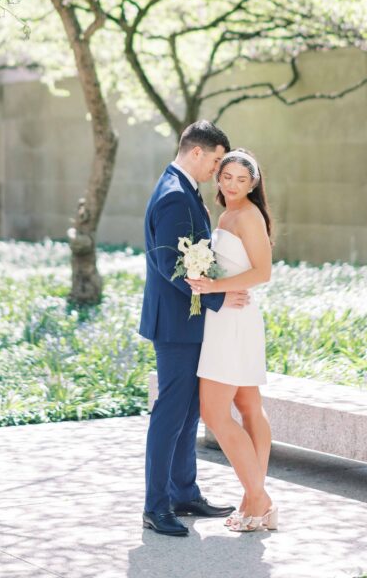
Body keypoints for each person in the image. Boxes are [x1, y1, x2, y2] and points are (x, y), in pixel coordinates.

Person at [140, 120, 250, 537]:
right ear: (197, 152)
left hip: (187, 322)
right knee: (170, 413)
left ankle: (183, 493)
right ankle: (155, 505)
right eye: (218, 161)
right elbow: (173, 265)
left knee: (188, 412)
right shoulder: (173, 197)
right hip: (175, 325)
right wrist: (220, 296)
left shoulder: (182, 189)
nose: (218, 171)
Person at [187, 147, 276, 532]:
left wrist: (213, 287)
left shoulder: (249, 216)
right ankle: (255, 502)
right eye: (228, 178)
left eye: (243, 179)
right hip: (228, 318)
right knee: (247, 405)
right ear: (218, 179)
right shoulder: (226, 214)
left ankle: (258, 499)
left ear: (253, 183)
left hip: (235, 322)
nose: (234, 185)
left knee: (216, 414)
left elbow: (263, 272)